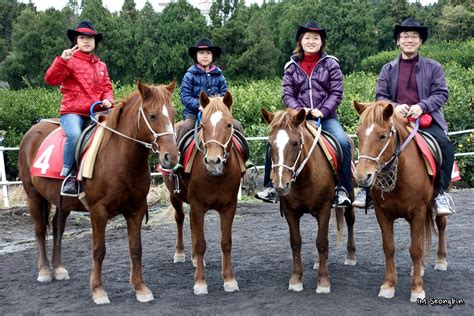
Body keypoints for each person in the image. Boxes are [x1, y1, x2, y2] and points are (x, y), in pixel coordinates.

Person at [352, 18, 455, 216]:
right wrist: (395, 107)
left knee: (445, 146)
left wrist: (421, 106)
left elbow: (441, 93)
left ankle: (440, 193)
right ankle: (366, 191)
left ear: (420, 41)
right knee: (371, 141)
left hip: (426, 121)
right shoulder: (387, 69)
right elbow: (380, 96)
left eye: (414, 36)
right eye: (405, 36)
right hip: (393, 120)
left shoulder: (434, 67)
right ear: (398, 41)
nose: (409, 40)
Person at [256, 20, 353, 207]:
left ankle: (343, 188)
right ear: (300, 41)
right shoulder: (291, 66)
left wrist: (322, 111)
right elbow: (287, 93)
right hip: (297, 118)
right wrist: (299, 110)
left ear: (321, 42)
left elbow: (336, 93)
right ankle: (269, 186)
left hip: (326, 117)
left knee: (343, 142)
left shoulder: (331, 64)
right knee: (275, 142)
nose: (311, 41)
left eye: (315, 38)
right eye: (307, 38)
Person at [45, 21, 114, 196]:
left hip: (97, 113)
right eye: (82, 37)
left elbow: (107, 87)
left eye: (90, 38)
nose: (86, 41)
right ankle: (69, 175)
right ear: (76, 40)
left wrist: (107, 100)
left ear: (95, 42)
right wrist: (61, 61)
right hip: (72, 112)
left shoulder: (101, 66)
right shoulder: (68, 61)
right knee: (75, 135)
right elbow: (51, 80)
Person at [177, 38, 243, 142]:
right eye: (201, 52)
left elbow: (224, 94)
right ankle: (178, 155)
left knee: (237, 125)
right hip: (194, 113)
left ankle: (243, 156)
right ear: (196, 56)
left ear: (213, 56)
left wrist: (215, 106)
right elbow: (185, 96)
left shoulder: (219, 75)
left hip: (217, 114)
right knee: (185, 127)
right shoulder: (189, 75)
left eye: (208, 53)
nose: (205, 56)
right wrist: (200, 106)